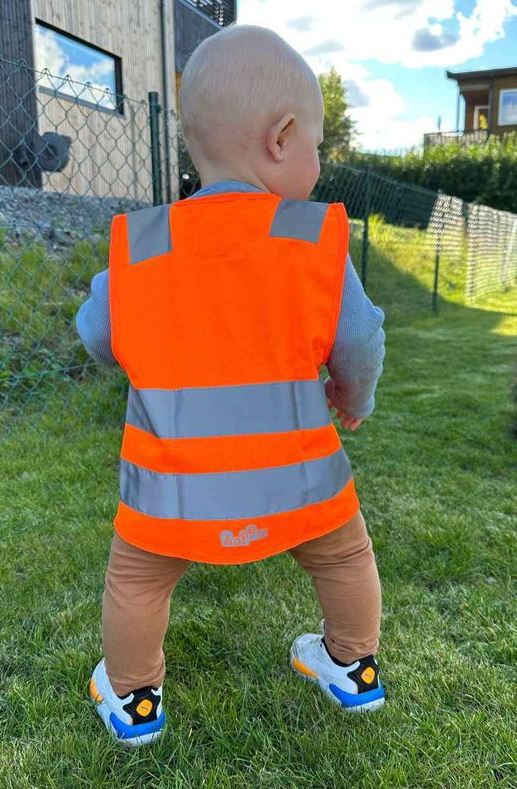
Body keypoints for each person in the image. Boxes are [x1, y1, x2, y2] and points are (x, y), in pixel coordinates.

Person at [76, 24, 386, 748]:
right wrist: (353, 398)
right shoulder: (315, 240)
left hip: (173, 483)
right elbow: (361, 340)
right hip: (301, 476)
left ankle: (134, 701)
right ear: (281, 138)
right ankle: (352, 668)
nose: (318, 163)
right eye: (316, 144)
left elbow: (96, 331)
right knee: (345, 557)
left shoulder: (146, 243)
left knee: (138, 583)